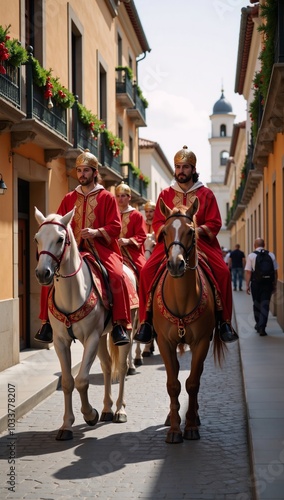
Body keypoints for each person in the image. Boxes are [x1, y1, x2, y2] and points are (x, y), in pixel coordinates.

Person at [134, 145, 238, 344]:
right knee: (147, 271)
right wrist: (167, 233)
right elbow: (157, 221)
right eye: (178, 167)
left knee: (223, 273)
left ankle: (225, 322)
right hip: (170, 243)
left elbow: (215, 222)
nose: (181, 171)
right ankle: (145, 322)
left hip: (201, 244)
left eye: (185, 167)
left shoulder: (206, 194)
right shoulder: (165, 194)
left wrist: (195, 231)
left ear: (193, 169)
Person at [35, 150, 132, 346]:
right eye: (79, 170)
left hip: (102, 249)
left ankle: (119, 324)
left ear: (95, 172)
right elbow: (58, 226)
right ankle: (46, 324)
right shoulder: (69, 197)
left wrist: (97, 232)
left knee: (117, 275)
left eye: (86, 171)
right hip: (72, 250)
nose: (82, 175)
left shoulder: (107, 197)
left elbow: (115, 227)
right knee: (52, 276)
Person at [245, 237, 278, 336]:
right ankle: (262, 327)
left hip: (256, 283)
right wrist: (274, 284)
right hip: (267, 284)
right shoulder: (271, 255)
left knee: (256, 303)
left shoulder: (251, 256)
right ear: (264, 245)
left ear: (254, 245)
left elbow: (248, 272)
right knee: (265, 304)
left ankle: (258, 323)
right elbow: (276, 271)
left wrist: (247, 285)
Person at [115, 182, 147, 280]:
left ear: (129, 197)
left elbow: (142, 235)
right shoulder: (112, 213)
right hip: (113, 251)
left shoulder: (137, 215)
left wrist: (128, 241)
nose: (120, 199)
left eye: (123, 196)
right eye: (118, 196)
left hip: (132, 252)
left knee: (143, 271)